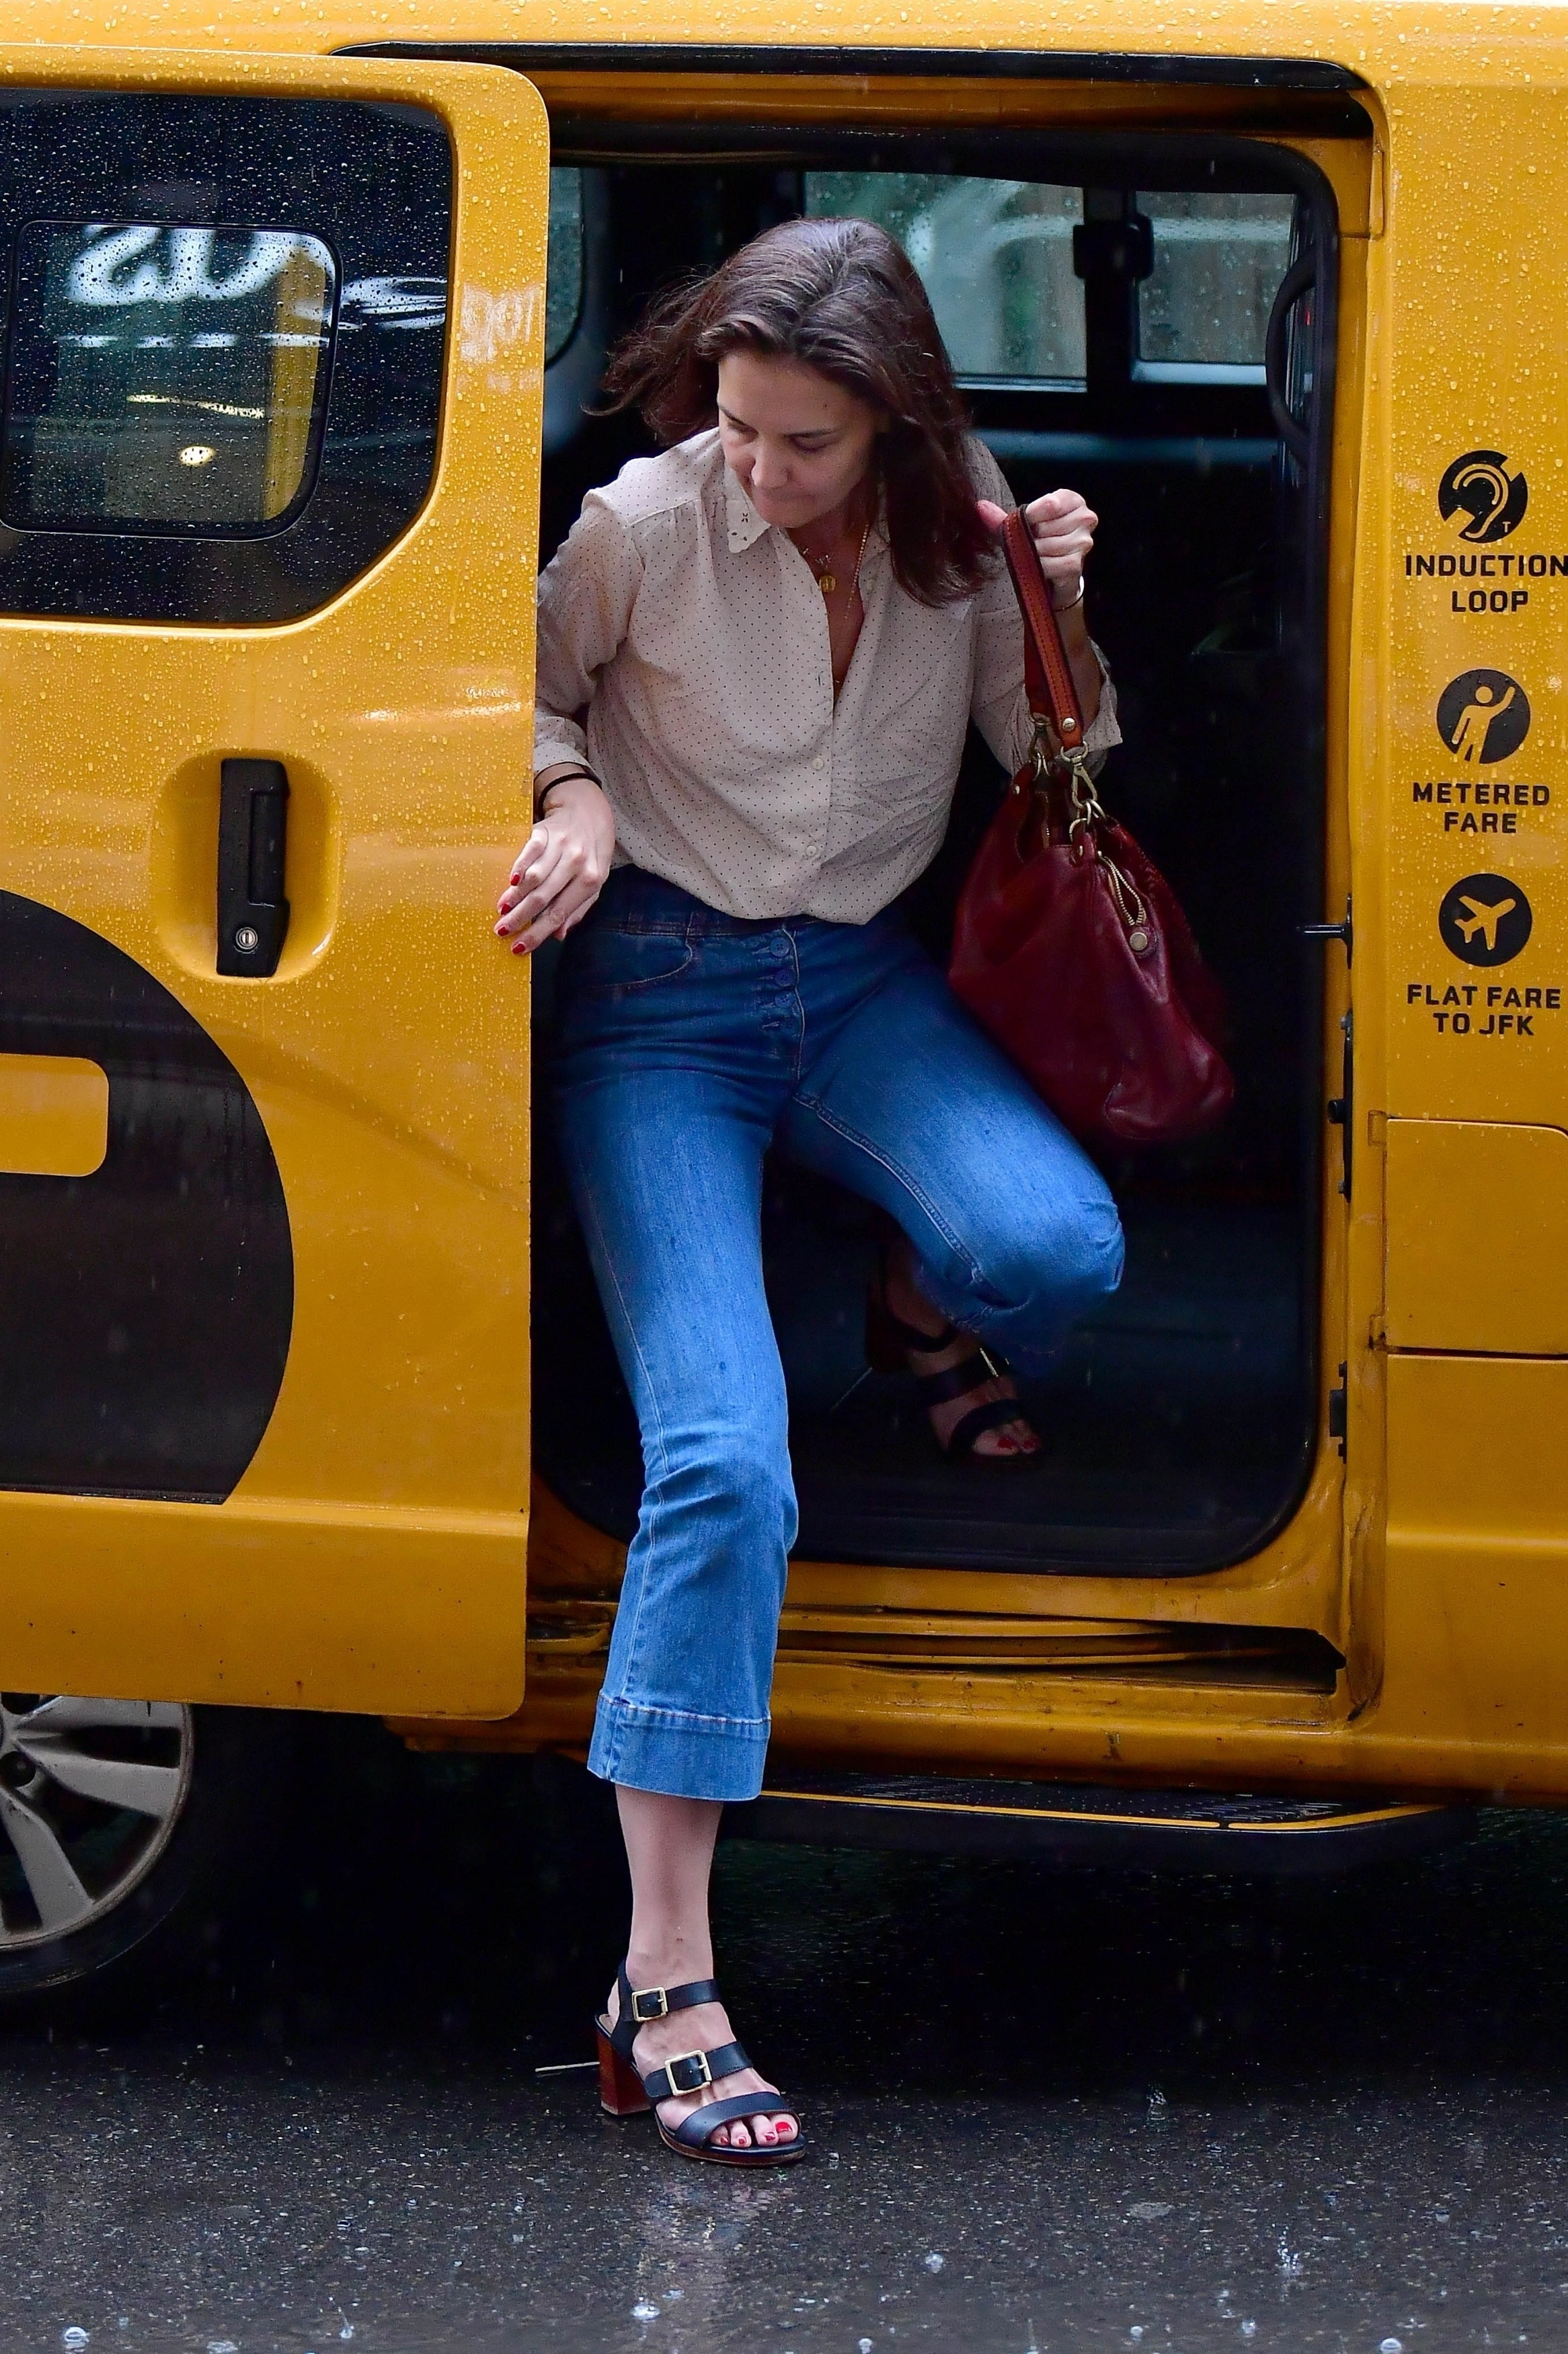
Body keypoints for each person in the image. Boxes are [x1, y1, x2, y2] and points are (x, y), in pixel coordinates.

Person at [495, 217, 1125, 2166]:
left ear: (895, 430)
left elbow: (1061, 761)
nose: (756, 469)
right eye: (739, 427)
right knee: (723, 1460)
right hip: (660, 1000)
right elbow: (500, 697)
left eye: (802, 445)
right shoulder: (640, 521)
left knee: (1056, 1249)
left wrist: (1056, 612)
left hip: (857, 981)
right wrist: (572, 790)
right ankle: (661, 1970)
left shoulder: (963, 527)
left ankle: (914, 1302)